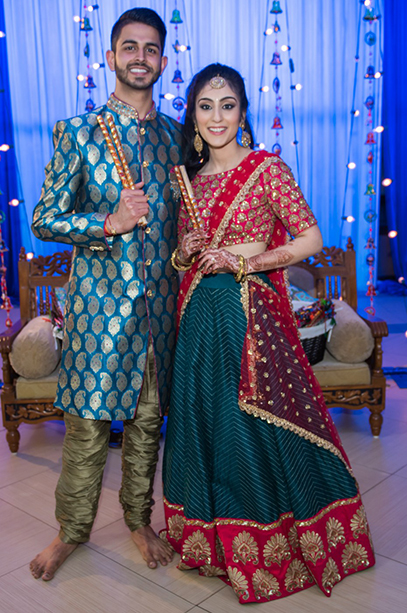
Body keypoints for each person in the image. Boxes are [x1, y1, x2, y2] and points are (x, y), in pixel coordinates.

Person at [162, 63, 375, 604]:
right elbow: (184, 251)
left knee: (251, 424)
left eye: (227, 104)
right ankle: (212, 543)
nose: (217, 116)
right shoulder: (185, 180)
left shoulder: (266, 169)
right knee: (203, 423)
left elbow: (309, 239)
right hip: (198, 323)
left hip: (249, 318)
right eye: (206, 106)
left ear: (242, 113)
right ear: (192, 116)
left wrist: (244, 261)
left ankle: (274, 542)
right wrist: (183, 252)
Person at [29, 7, 182, 581]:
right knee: (88, 430)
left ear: (163, 62)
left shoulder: (177, 138)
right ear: (112, 56)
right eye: (129, 46)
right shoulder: (78, 132)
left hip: (161, 312)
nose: (140, 56)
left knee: (148, 424)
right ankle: (70, 533)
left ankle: (138, 521)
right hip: (99, 313)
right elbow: (44, 218)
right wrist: (108, 222)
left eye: (150, 49)